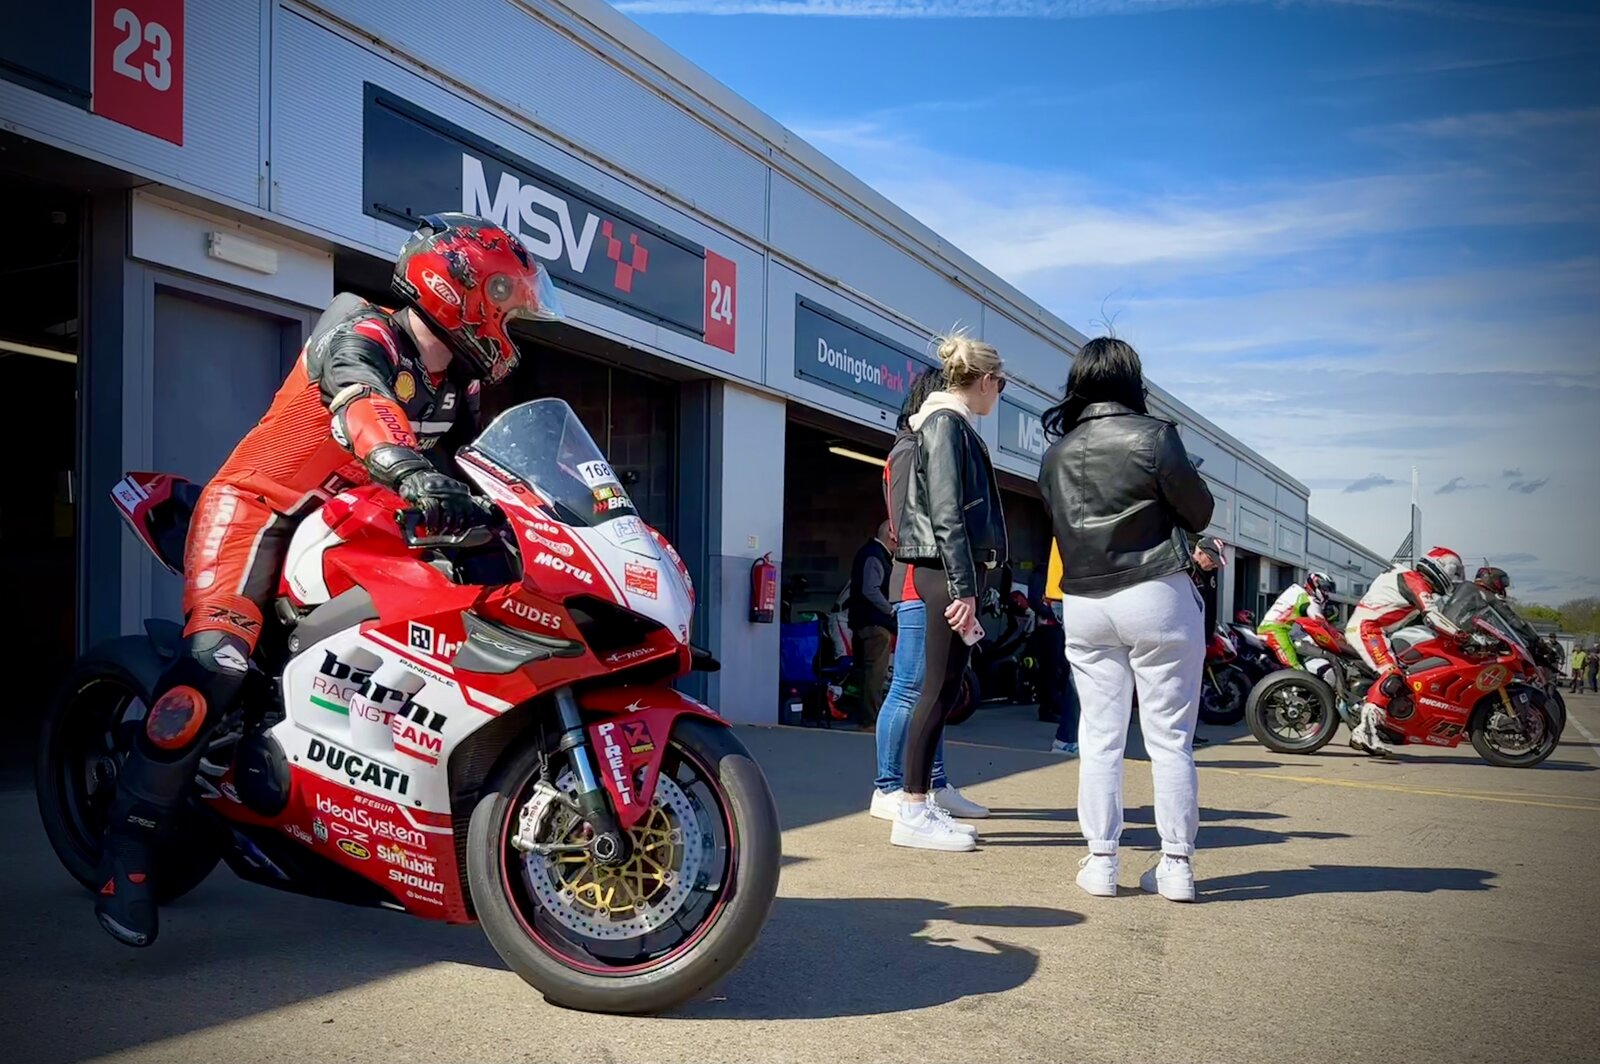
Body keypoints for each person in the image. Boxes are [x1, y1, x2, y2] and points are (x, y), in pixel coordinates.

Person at [92, 214, 564, 947]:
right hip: (261, 509)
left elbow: (483, 469)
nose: (511, 316)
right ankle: (128, 847)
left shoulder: (458, 386)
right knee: (217, 662)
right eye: (504, 296)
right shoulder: (361, 329)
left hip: (356, 523)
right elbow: (361, 399)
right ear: (458, 287)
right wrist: (408, 468)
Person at [1038, 337, 1215, 903]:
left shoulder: (1057, 452)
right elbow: (1199, 511)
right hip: (1154, 591)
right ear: (1131, 380)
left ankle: (1100, 862)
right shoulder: (1155, 436)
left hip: (1085, 602)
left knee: (1099, 738)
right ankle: (1177, 865)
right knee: (1169, 739)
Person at [889, 331, 1008, 851]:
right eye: (1001, 384)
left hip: (947, 573)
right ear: (985, 380)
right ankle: (912, 809)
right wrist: (965, 587)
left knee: (942, 691)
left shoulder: (948, 424)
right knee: (935, 692)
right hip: (944, 573)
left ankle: (920, 803)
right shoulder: (944, 424)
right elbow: (947, 514)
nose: (999, 394)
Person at [870, 369, 988, 824]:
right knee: (909, 686)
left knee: (935, 688)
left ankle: (933, 782)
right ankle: (887, 786)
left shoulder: (928, 444)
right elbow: (910, 525)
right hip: (917, 579)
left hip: (935, 578)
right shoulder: (909, 450)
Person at [1343, 546, 1464, 757]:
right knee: (1392, 674)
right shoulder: (1414, 581)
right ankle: (1365, 731)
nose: (1453, 578)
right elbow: (1432, 616)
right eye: (1453, 571)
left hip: (1374, 629)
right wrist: (1461, 635)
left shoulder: (1410, 579)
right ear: (1441, 567)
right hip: (1368, 629)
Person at [847, 522, 897, 729]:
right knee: (875, 673)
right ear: (891, 535)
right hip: (875, 624)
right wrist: (891, 610)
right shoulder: (875, 555)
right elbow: (871, 590)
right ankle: (870, 720)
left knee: (865, 671)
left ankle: (862, 715)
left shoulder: (870, 553)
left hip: (864, 622)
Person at [1257, 573, 1335, 669]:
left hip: (1279, 630)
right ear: (1315, 585)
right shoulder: (1305, 598)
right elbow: (1316, 618)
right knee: (1295, 669)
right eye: (1325, 589)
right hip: (1276, 631)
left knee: (1300, 659)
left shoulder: (1296, 592)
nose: (1326, 593)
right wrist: (1330, 631)